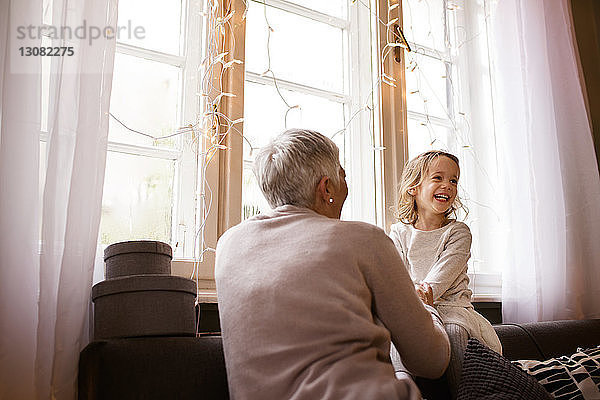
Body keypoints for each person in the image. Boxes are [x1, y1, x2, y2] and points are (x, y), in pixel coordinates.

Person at [215, 129, 450, 400]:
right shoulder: (365, 239)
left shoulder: (228, 244)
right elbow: (431, 361)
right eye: (343, 175)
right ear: (326, 188)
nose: (345, 183)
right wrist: (429, 309)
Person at [389, 150, 502, 395]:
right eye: (438, 178)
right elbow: (396, 279)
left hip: (453, 311)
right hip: (414, 308)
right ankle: (405, 391)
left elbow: (436, 285)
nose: (447, 185)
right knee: (395, 333)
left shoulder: (458, 232)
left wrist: (415, 297)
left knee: (452, 331)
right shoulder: (399, 233)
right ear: (413, 188)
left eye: (453, 180)